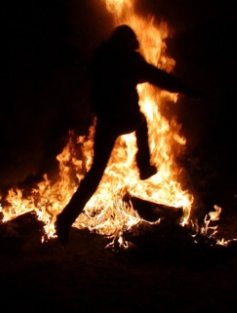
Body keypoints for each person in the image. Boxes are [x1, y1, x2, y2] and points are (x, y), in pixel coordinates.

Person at [55, 25, 198, 244]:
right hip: (124, 118)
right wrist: (188, 90)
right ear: (128, 42)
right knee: (140, 121)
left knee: (95, 175)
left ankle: (65, 219)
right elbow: (159, 78)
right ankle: (144, 166)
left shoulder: (102, 57)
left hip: (105, 123)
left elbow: (87, 80)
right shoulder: (130, 60)